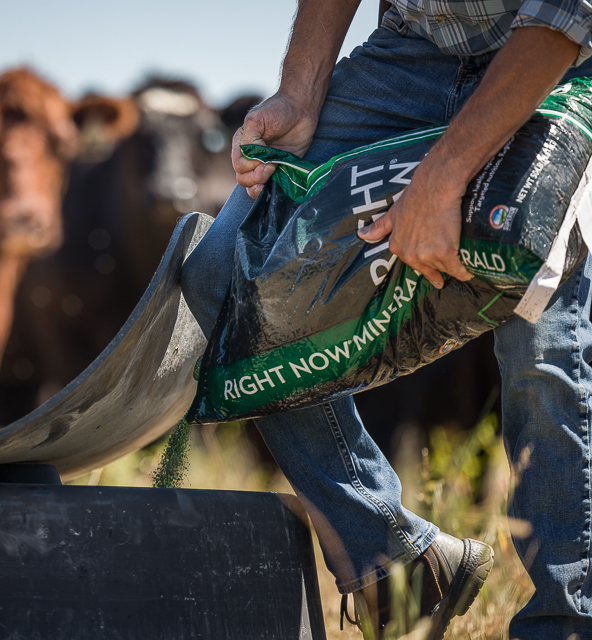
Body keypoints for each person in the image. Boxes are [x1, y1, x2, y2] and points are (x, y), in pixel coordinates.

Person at [180, 1, 592, 639]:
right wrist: (298, 93)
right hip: (407, 53)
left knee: (543, 347)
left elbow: (566, 12)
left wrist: (443, 176)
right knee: (226, 275)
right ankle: (393, 554)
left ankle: (564, 622)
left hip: (550, 59)